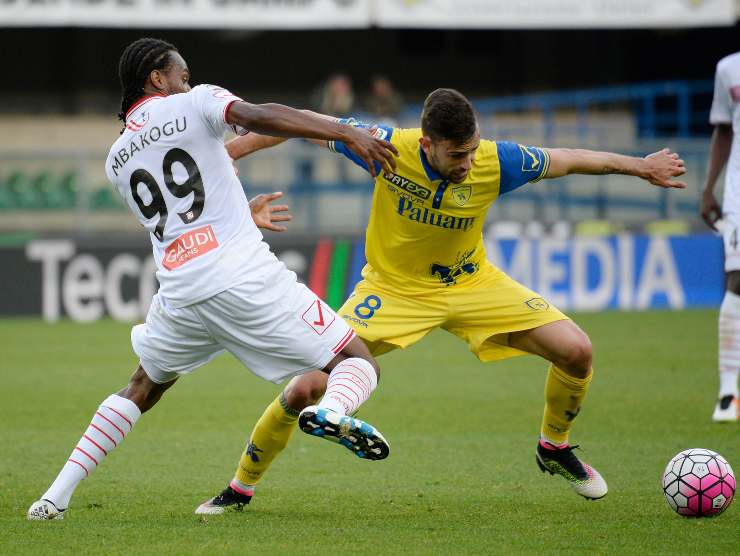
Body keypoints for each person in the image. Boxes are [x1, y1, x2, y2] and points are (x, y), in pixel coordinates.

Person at [196, 88, 687, 513]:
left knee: (577, 350)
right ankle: (240, 488)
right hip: (391, 292)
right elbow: (303, 125)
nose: (468, 163)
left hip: (473, 285)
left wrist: (640, 166)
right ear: (427, 143)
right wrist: (229, 154)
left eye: (472, 151)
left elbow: (572, 158)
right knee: (305, 389)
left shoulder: (497, 160)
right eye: (458, 155)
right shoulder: (384, 147)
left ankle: (553, 446)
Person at [27, 37, 400, 521]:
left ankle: (54, 497)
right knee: (356, 360)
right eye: (180, 74)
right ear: (157, 78)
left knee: (142, 386)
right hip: (241, 276)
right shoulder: (197, 100)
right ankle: (331, 411)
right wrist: (343, 131)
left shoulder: (116, 160)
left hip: (180, 292)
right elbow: (259, 115)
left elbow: (191, 197)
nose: (187, 79)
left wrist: (241, 212)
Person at [701, 51, 740, 423]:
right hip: (739, 193)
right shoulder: (728, 68)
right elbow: (724, 129)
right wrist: (708, 186)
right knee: (738, 281)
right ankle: (729, 395)